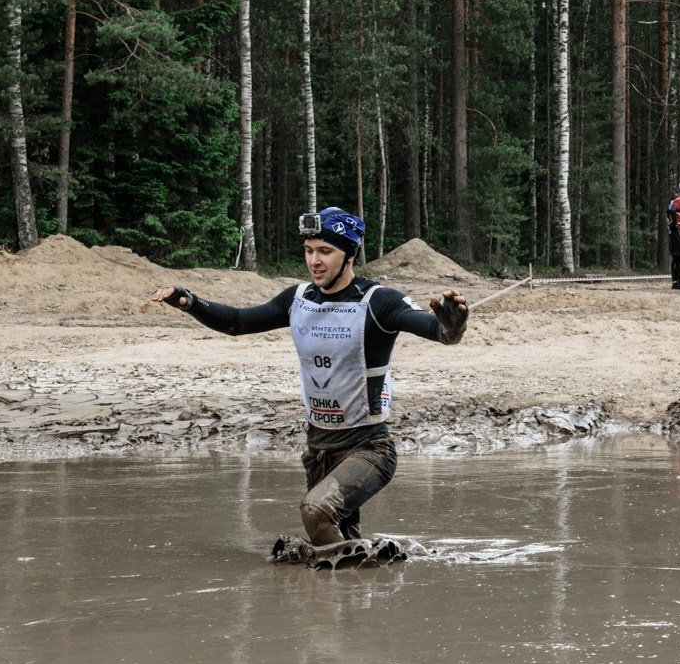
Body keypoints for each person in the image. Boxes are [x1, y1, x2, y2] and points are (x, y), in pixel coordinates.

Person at [151, 206, 469, 565]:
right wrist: (190, 302)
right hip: (318, 451)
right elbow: (238, 321)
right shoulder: (298, 298)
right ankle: (362, 596)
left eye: (325, 251)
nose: (314, 261)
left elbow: (438, 331)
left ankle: (373, 575)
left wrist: (451, 325)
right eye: (309, 250)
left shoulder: (379, 301)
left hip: (368, 449)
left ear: (350, 255)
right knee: (342, 548)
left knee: (315, 511)